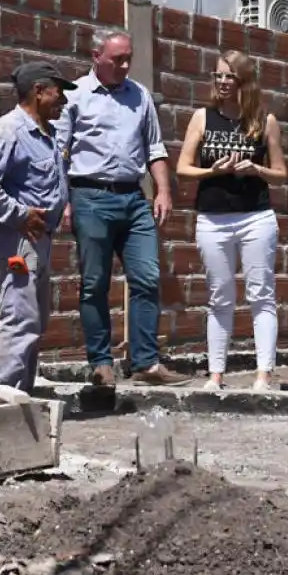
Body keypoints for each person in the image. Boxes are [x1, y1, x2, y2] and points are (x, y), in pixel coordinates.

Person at [55, 28, 189, 388]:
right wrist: (64, 198)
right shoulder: (75, 96)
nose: (125, 65)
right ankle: (101, 363)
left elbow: (154, 148)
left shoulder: (139, 95)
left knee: (147, 277)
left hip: (133, 198)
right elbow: (59, 152)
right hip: (90, 197)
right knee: (94, 284)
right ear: (96, 56)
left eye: (128, 58)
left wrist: (162, 191)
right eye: (117, 59)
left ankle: (146, 362)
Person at [0, 60, 77, 401]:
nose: (64, 102)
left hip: (37, 240)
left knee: (36, 320)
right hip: (19, 240)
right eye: (58, 93)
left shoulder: (47, 134)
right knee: (21, 316)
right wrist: (18, 214)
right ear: (39, 91)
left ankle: (20, 395)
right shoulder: (10, 130)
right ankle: (2, 392)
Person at [176, 50, 287, 391]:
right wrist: (212, 170)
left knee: (260, 294)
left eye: (229, 77)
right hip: (213, 218)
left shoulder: (263, 121)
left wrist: (257, 169)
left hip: (256, 217)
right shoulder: (202, 118)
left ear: (244, 82)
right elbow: (182, 167)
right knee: (219, 296)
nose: (222, 83)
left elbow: (281, 173)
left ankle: (263, 376)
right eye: (218, 76)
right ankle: (216, 375)